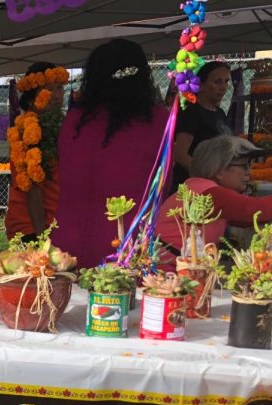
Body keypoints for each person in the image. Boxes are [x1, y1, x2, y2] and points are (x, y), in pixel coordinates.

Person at [53, 39, 168, 268]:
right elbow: (162, 186)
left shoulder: (74, 121)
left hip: (66, 246)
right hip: (125, 246)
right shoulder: (157, 122)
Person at [156, 136, 272, 270]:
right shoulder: (209, 192)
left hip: (180, 267)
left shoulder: (199, 187)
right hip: (169, 271)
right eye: (244, 166)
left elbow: (248, 218)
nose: (249, 172)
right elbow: (255, 211)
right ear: (220, 171)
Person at [5, 62, 66, 243]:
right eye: (49, 89)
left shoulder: (60, 125)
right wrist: (42, 241)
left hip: (57, 223)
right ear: (32, 98)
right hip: (32, 228)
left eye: (60, 88)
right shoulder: (27, 132)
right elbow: (33, 192)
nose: (56, 96)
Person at [171, 61, 232, 192]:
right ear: (201, 84)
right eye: (217, 82)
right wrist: (207, 175)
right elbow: (180, 154)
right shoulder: (191, 112)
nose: (223, 87)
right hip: (192, 188)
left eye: (226, 81)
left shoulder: (220, 113)